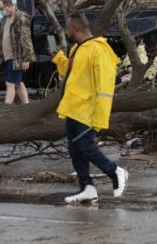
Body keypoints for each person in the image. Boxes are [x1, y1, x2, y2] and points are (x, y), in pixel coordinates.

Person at [51, 12, 128, 204]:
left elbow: (105, 86)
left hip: (87, 109)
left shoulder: (98, 50)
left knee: (86, 147)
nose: (66, 31)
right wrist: (58, 58)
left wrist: (99, 116)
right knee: (75, 149)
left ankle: (115, 171)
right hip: (73, 107)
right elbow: (70, 73)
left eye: (68, 28)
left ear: (75, 28)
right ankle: (87, 187)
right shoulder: (77, 48)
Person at [0, 0, 35, 104]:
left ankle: (6, 110)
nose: (0, 11)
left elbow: (26, 40)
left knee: (10, 84)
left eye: (1, 8)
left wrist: (26, 59)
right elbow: (2, 39)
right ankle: (27, 106)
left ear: (9, 6)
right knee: (18, 83)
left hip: (17, 57)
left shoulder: (20, 19)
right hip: (8, 56)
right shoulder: (5, 19)